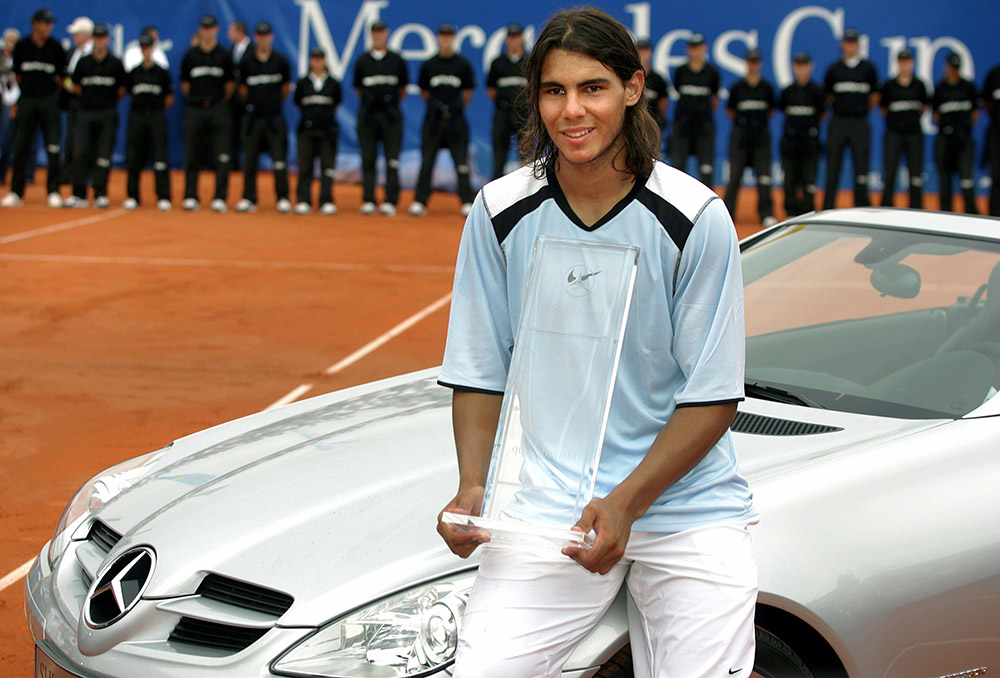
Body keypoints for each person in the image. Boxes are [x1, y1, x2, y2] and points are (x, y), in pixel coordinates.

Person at [436, 8, 756, 678]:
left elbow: (714, 396)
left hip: (686, 508)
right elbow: (480, 367)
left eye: (593, 88)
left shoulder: (695, 217)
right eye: (554, 91)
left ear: (633, 88)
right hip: (549, 511)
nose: (572, 110)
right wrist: (474, 487)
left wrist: (627, 502)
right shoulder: (498, 210)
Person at [410, 23, 476, 217]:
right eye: (443, 36)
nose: (446, 39)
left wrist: (454, 108)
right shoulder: (429, 65)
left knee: (461, 163)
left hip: (456, 120)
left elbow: (468, 92)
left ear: (454, 39)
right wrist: (437, 108)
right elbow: (424, 92)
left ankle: (466, 201)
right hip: (433, 120)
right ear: (438, 38)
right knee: (427, 161)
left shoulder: (463, 64)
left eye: (449, 36)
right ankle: (420, 202)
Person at [2, 8, 66, 208]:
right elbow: (18, 75)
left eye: (50, 23)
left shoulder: (56, 48)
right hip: (27, 100)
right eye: (45, 23)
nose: (48, 27)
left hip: (48, 101)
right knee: (21, 146)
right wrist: (28, 93)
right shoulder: (22, 47)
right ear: (35, 24)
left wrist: (49, 96)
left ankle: (54, 191)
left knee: (53, 147)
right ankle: (16, 192)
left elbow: (62, 79)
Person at [234, 21, 292, 213]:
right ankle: (249, 198)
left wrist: (271, 104)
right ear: (255, 37)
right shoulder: (247, 62)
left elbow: (286, 89)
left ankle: (282, 197)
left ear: (271, 37)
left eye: (266, 35)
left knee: (279, 159)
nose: (263, 38)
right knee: (250, 160)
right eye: (259, 35)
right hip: (253, 118)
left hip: (274, 117)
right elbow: (242, 90)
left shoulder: (281, 61)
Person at [179, 14, 234, 212]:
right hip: (195, 109)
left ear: (216, 29)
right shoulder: (190, 55)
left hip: (218, 108)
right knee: (192, 153)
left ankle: (220, 197)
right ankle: (191, 196)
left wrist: (216, 101)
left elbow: (230, 85)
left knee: (222, 155)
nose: (207, 31)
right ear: (200, 29)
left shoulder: (224, 55)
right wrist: (199, 99)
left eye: (210, 28)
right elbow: (185, 85)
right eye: (204, 27)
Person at [66, 23, 125, 208]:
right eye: (97, 37)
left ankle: (100, 193)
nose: (100, 41)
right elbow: (74, 85)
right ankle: (79, 193)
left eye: (102, 37)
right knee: (81, 152)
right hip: (86, 113)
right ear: (93, 39)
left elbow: (122, 89)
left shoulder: (115, 63)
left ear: (107, 39)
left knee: (103, 155)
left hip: (107, 113)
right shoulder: (84, 62)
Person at [353, 19, 407, 215]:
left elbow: (402, 89)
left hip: (391, 117)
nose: (378, 35)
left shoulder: (396, 61)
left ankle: (390, 200)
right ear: (371, 35)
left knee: (392, 160)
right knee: (368, 158)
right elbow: (358, 89)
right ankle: (368, 198)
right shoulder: (362, 61)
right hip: (368, 117)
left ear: (387, 34)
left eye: (381, 32)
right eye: (375, 32)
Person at [822, 27, 879, 209]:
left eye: (854, 43)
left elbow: (875, 96)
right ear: (842, 45)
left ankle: (861, 207)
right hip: (838, 121)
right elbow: (829, 96)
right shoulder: (834, 69)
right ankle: (828, 208)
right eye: (848, 42)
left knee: (861, 168)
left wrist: (860, 109)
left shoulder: (868, 69)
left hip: (860, 123)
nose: (850, 46)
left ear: (859, 45)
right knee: (833, 167)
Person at [723, 47, 776, 226]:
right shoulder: (737, 88)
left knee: (764, 177)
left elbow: (771, 111)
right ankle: (728, 213)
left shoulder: (767, 88)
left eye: (756, 62)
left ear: (759, 64)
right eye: (750, 62)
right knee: (735, 176)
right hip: (740, 137)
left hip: (761, 137)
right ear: (746, 63)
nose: (753, 65)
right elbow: (730, 111)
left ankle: (766, 213)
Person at [123, 33, 173, 210]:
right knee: (134, 157)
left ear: (153, 48)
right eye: (143, 47)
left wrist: (156, 110)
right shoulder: (134, 72)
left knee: (160, 157)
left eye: (149, 46)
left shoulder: (161, 72)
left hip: (156, 116)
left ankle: (163, 196)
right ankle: (133, 196)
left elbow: (169, 97)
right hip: (137, 117)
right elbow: (127, 92)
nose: (146, 50)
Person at [669, 32, 720, 188]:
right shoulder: (681, 71)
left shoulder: (712, 72)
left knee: (706, 169)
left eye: (698, 47)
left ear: (705, 48)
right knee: (677, 168)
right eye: (692, 47)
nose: (695, 50)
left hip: (704, 127)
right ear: (687, 49)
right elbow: (677, 90)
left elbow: (715, 98)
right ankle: (674, 207)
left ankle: (706, 209)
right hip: (683, 125)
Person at [778, 51, 825, 217]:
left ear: (811, 67)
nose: (801, 69)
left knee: (809, 180)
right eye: (798, 65)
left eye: (804, 65)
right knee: (789, 179)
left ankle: (808, 211)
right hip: (790, 141)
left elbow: (822, 113)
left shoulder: (817, 91)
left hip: (810, 142)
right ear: (793, 67)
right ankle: (790, 212)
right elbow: (782, 111)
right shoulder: (787, 91)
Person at [294, 47, 340, 215]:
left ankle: (326, 200)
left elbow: (336, 103)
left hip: (327, 131)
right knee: (305, 166)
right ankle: (303, 200)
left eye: (320, 58)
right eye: (315, 58)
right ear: (310, 61)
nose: (318, 62)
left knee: (328, 167)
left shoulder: (333, 83)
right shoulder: (303, 83)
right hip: (306, 130)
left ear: (325, 61)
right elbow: (298, 103)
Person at [879, 49, 928, 208]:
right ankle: (886, 208)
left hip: (914, 134)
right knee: (890, 172)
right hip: (894, 133)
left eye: (907, 61)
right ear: (897, 63)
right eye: (902, 61)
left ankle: (916, 208)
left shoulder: (919, 85)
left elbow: (924, 107)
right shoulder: (889, 85)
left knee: (915, 174)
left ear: (912, 63)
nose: (905, 64)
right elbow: (883, 108)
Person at [933, 52, 980, 214]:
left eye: (957, 68)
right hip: (945, 139)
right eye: (952, 67)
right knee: (945, 180)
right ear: (946, 66)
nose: (954, 71)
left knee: (966, 179)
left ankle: (972, 215)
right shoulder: (940, 88)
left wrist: (964, 129)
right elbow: (936, 115)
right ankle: (946, 215)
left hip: (964, 139)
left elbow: (975, 113)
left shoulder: (969, 87)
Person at [487, 23, 528, 180]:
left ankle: (528, 196)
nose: (514, 41)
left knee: (526, 156)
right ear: (506, 40)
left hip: (524, 114)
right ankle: (495, 198)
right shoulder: (498, 63)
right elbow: (491, 89)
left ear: (522, 39)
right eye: (511, 37)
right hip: (503, 113)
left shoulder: (529, 61)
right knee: (499, 157)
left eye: (517, 37)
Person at [60, 16, 91, 188]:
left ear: (86, 35)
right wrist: (68, 86)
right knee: (70, 140)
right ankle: (68, 174)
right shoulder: (71, 52)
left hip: (89, 105)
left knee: (88, 143)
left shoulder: (94, 54)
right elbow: (65, 77)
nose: (74, 37)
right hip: (73, 104)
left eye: (76, 34)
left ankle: (89, 176)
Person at [636, 37, 668, 157]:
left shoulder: (658, 79)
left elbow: (663, 104)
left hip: (652, 124)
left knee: (651, 158)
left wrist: (655, 120)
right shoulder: (628, 77)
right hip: (632, 123)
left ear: (651, 53)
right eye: (639, 50)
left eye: (645, 50)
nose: (642, 54)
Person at [227, 20, 250, 171]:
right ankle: (233, 163)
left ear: (240, 32)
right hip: (233, 102)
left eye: (231, 31)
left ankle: (249, 164)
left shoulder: (253, 51)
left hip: (249, 102)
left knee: (248, 133)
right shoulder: (231, 51)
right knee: (232, 132)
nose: (228, 34)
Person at [0, 28, 20, 183]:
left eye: (14, 41)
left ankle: (26, 174)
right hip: (3, 101)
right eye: (9, 40)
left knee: (15, 139)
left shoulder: (20, 58)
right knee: (4, 138)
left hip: (17, 101)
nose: (10, 44)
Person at [985, 62, 1000, 217]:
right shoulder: (994, 74)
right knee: (996, 176)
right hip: (997, 132)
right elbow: (986, 103)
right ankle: (994, 217)